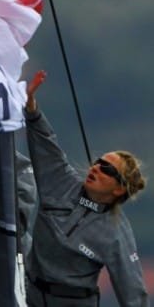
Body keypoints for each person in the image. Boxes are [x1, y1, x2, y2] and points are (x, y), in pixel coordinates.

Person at [24, 70, 149, 307]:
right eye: (98, 162)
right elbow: (45, 142)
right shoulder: (60, 180)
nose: (96, 168)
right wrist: (32, 109)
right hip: (28, 293)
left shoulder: (116, 233)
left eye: (108, 170)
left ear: (119, 190)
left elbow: (133, 294)